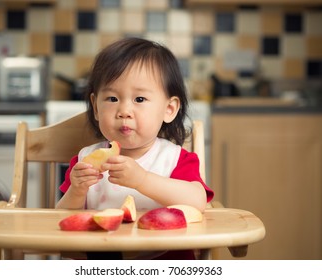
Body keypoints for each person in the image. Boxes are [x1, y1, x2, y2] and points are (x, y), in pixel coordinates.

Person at [56, 37, 214, 259]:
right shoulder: (86, 160)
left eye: (139, 99)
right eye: (112, 98)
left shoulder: (175, 159)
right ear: (95, 108)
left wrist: (142, 179)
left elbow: (197, 202)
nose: (124, 111)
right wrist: (77, 190)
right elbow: (61, 218)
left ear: (169, 109)